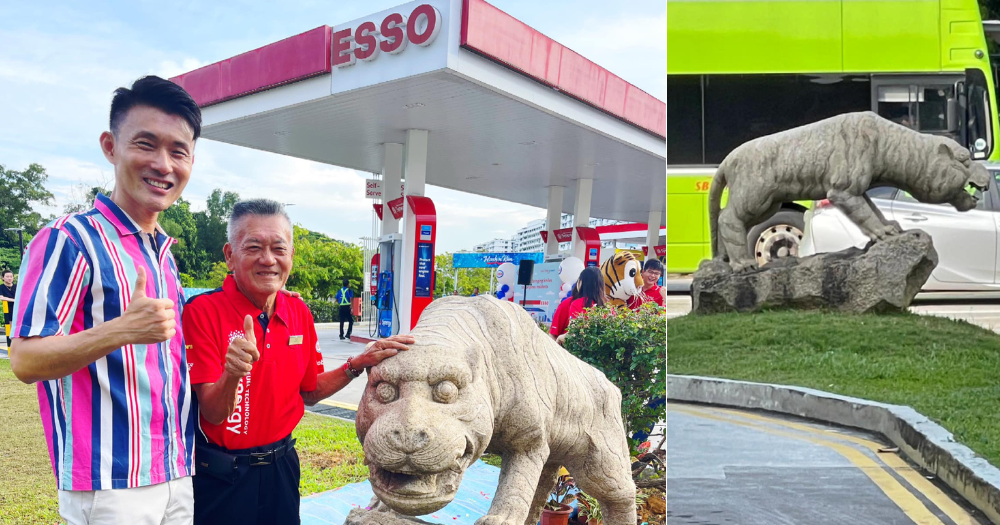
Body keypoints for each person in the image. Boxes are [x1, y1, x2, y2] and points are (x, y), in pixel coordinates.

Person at [10, 76, 201, 523]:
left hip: (175, 470)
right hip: (110, 484)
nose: (163, 164)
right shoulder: (69, 240)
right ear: (110, 147)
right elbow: (25, 359)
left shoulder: (163, 254)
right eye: (146, 144)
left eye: (178, 151)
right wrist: (121, 330)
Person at [183, 199, 413, 525]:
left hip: (283, 468)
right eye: (253, 247)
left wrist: (359, 362)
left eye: (279, 248)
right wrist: (233, 374)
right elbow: (213, 413)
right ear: (229, 256)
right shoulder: (201, 312)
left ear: (291, 256)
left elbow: (309, 391)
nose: (268, 259)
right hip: (223, 477)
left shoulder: (298, 312)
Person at [555, 267, 607, 346]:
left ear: (581, 282)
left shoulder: (577, 304)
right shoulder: (608, 309)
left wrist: (560, 338)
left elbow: (574, 333)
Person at [1, 269, 15, 347]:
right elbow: (2, 297)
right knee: (11, 328)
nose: (9, 278)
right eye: (7, 276)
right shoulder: (1, 287)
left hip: (18, 309)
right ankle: (12, 346)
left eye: (11, 276)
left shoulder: (17, 286)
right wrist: (14, 300)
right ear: (3, 278)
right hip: (9, 310)